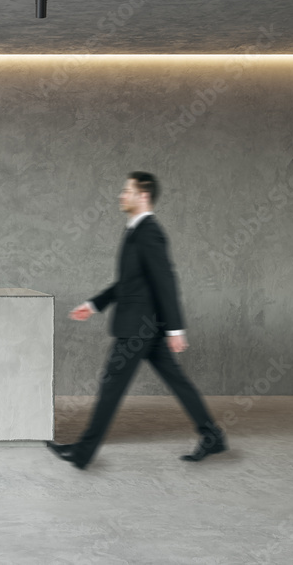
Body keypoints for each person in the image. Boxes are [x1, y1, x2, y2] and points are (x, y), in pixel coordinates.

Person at [47, 172, 227, 470]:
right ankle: (213, 437)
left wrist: (176, 328)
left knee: (111, 386)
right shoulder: (134, 231)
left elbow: (166, 281)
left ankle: (83, 452)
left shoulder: (150, 232)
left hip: (138, 330)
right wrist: (94, 305)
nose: (121, 195)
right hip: (146, 328)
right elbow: (129, 284)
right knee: (177, 382)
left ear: (143, 195)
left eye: (126, 190)